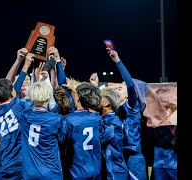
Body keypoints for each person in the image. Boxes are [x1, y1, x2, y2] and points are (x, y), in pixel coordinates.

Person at [0, 53, 34, 179]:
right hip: (18, 166)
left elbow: (13, 88)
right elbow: (16, 88)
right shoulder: (18, 106)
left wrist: (24, 64)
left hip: (0, 166)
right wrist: (26, 65)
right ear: (13, 94)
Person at [106, 47, 147, 180]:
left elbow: (130, 85)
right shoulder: (117, 108)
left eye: (121, 87)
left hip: (133, 156)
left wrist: (117, 61)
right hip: (120, 155)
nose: (118, 87)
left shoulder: (132, 106)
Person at [20, 80, 64, 180]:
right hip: (50, 171)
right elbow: (63, 142)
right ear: (49, 95)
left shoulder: (24, 115)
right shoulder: (57, 119)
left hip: (29, 172)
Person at [61, 81, 102, 180]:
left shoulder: (69, 119)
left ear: (79, 98)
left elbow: (61, 144)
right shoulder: (97, 118)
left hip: (76, 171)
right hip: (96, 170)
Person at [99, 87, 129, 180]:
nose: (96, 101)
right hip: (113, 169)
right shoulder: (110, 118)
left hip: (114, 171)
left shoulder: (111, 121)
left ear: (106, 103)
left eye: (99, 99)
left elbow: (100, 139)